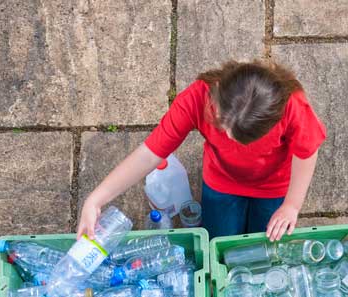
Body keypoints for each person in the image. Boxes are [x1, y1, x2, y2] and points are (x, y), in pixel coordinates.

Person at [78, 59, 327, 242]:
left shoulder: (292, 105)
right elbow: (150, 154)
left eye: (242, 137)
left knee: (262, 241)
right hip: (222, 181)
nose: (228, 137)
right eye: (222, 124)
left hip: (274, 185)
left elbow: (307, 151)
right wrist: (95, 199)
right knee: (220, 239)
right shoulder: (196, 98)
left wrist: (292, 205)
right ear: (217, 90)